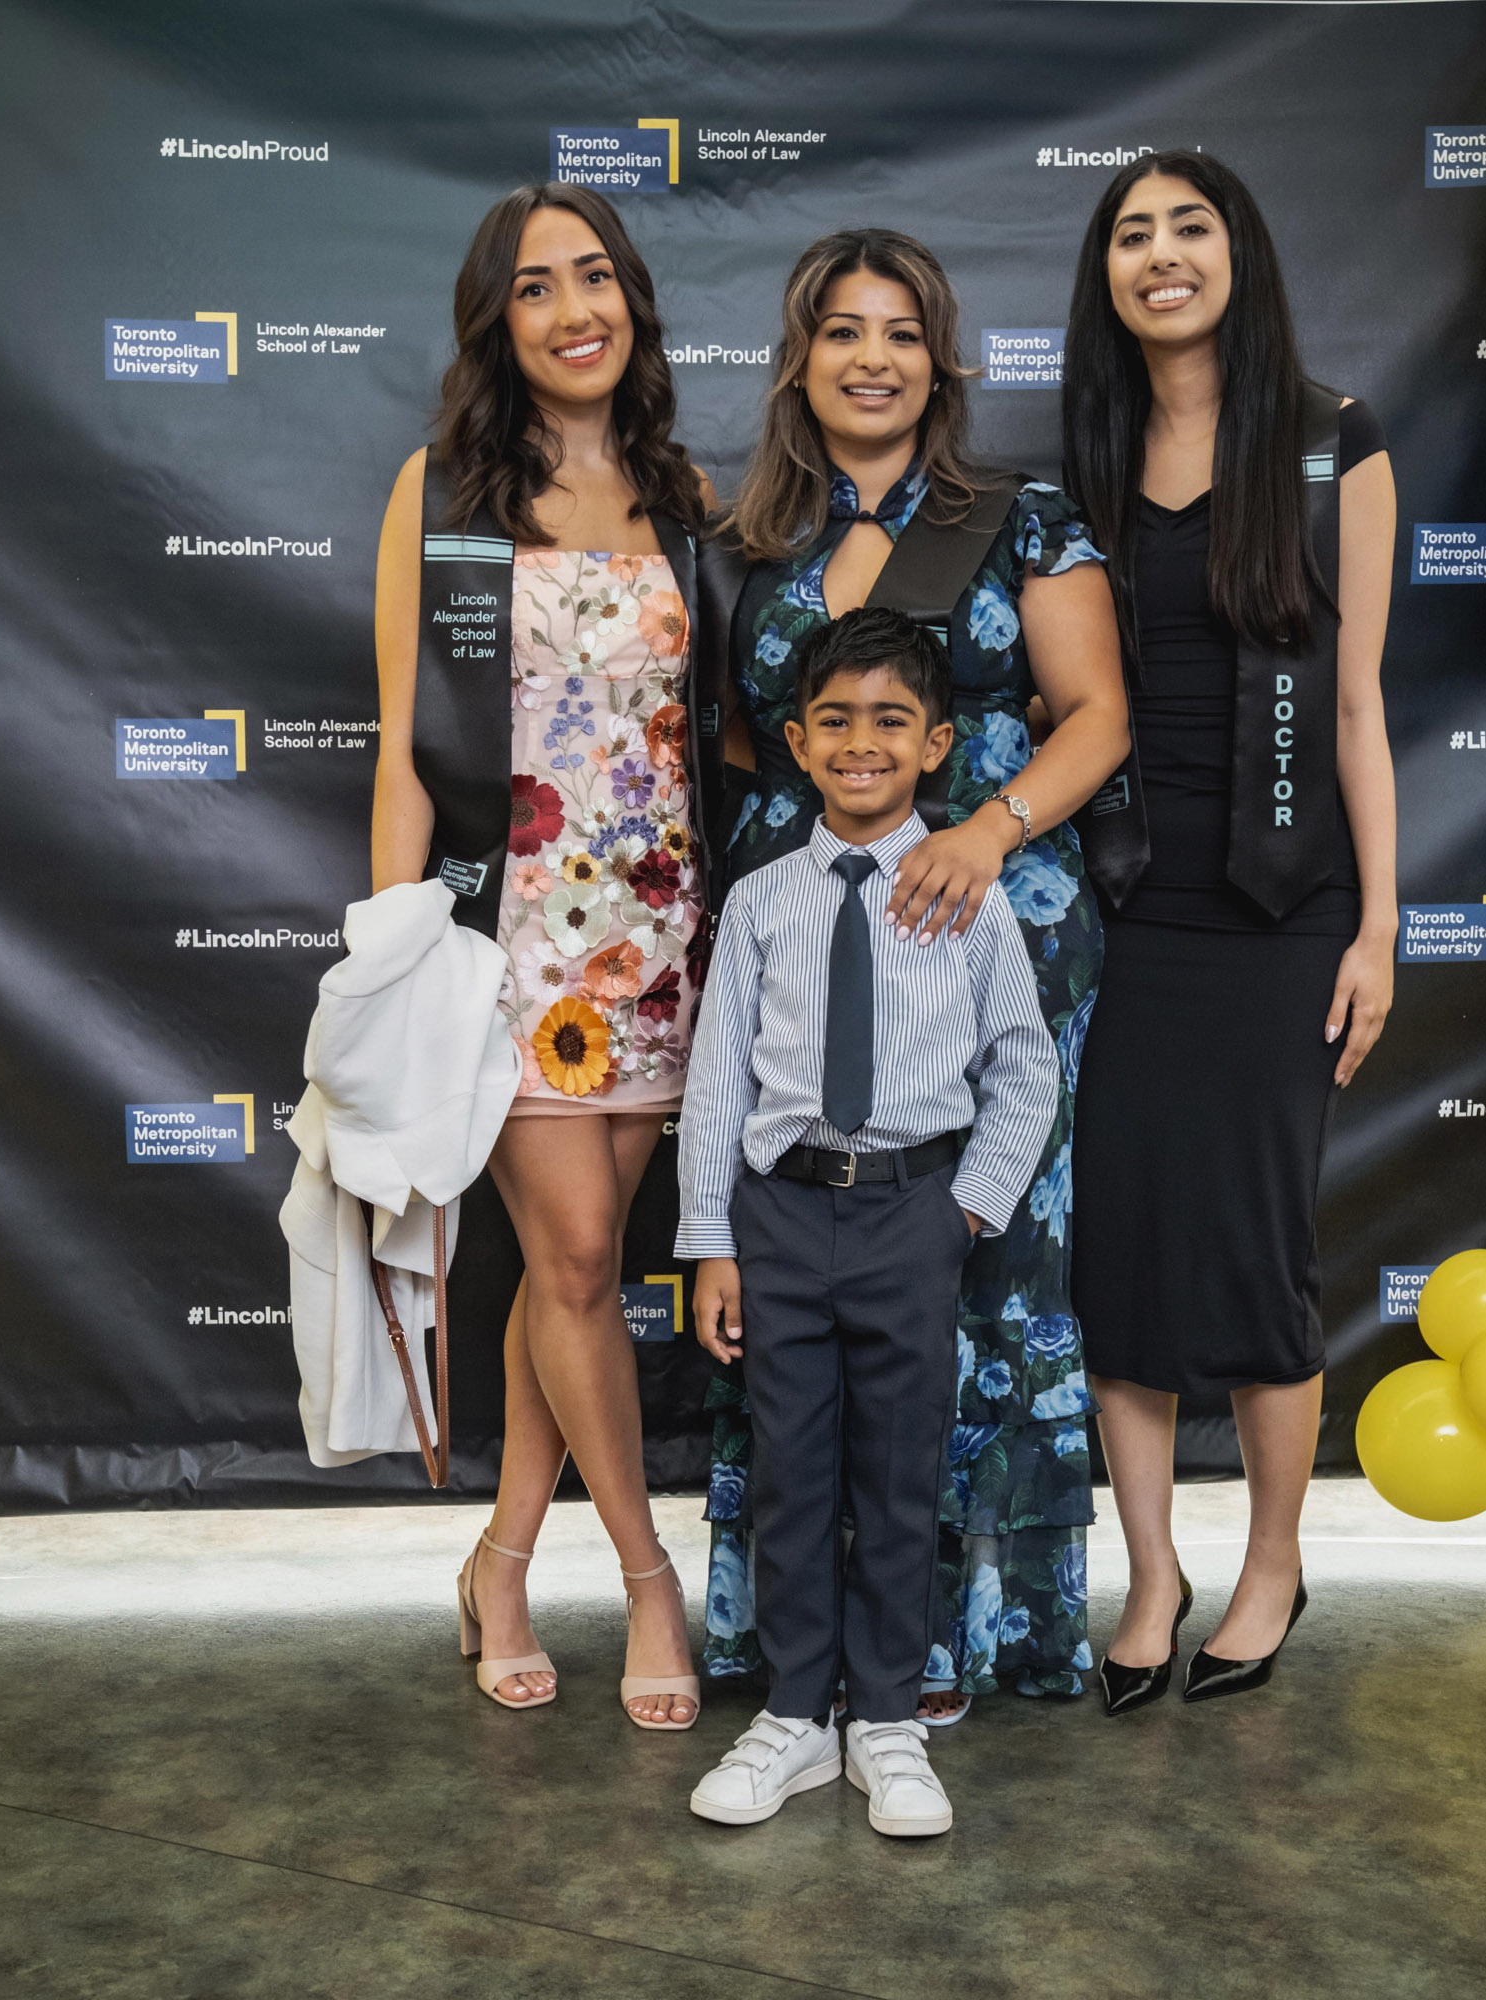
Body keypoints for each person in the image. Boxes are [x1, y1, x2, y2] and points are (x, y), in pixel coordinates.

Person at [698, 228, 1130, 1721]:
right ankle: (807, 1646)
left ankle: (957, 1635)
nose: (870, 356)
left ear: (940, 361)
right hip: (808, 919)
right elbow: (749, 747)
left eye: (900, 331)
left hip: (994, 917)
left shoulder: (1021, 516)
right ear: (799, 360)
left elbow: (1097, 715)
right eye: (840, 330)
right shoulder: (750, 539)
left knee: (984, 1262)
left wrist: (989, 829)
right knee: (808, 1264)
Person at [369, 183, 719, 1730]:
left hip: (665, 936)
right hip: (510, 947)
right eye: (534, 287)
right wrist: (396, 964)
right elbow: (399, 751)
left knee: (570, 1283)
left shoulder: (690, 494)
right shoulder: (438, 493)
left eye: (596, 277)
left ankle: (499, 1561)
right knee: (574, 1259)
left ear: (631, 300)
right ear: (494, 323)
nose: (573, 308)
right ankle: (648, 1578)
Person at [1061, 151, 1400, 1710]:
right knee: (1120, 1253)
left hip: (1282, 910)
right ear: (1108, 277)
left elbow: (1354, 702)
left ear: (1238, 255)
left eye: (1188, 227)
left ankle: (1274, 1564)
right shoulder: (1086, 456)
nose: (1160, 254)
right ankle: (1151, 1574)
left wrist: (1379, 927)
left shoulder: (1335, 448)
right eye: (1132, 235)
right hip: (1126, 904)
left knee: (1261, 1255)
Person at [679, 607, 1059, 1837]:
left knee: (900, 1475)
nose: (860, 742)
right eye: (834, 719)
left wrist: (965, 1211)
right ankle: (795, 1712)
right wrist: (712, 1243)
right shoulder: (761, 902)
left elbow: (1025, 1069)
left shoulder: (969, 895)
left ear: (937, 744)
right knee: (791, 1471)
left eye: (890, 720)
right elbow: (718, 1081)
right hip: (781, 1215)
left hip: (912, 1214)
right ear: (795, 741)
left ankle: (886, 1717)